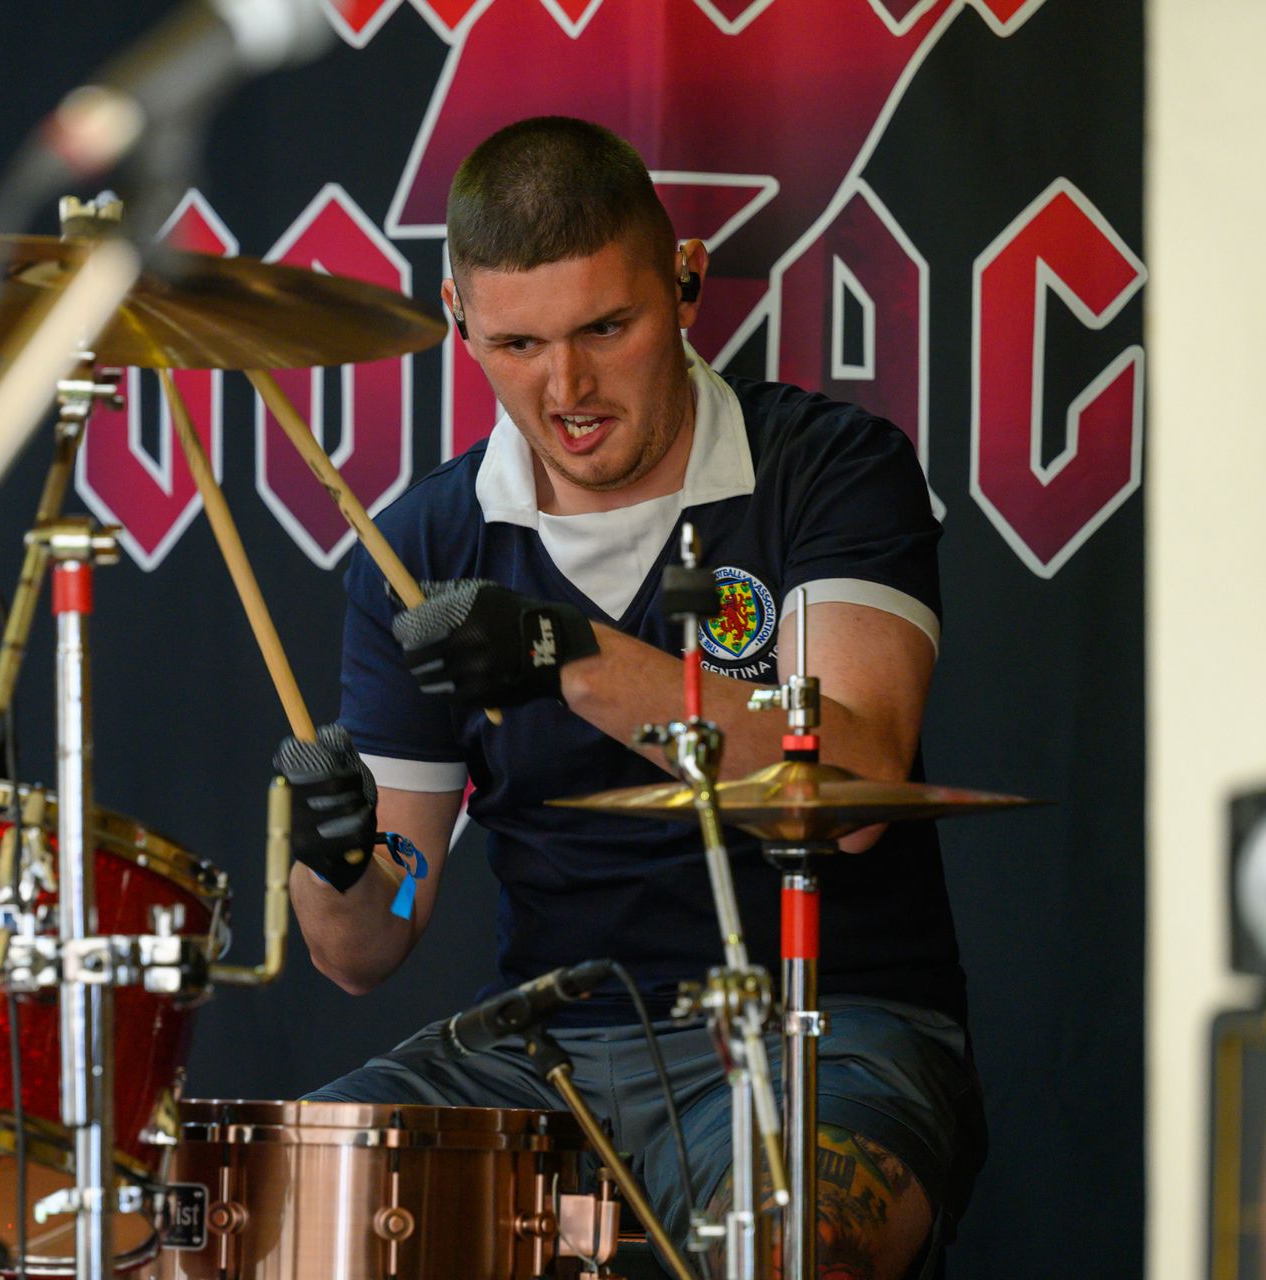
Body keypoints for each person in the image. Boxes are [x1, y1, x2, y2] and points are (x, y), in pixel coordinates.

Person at [276, 116, 985, 1280]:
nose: (566, 388)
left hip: (824, 1026)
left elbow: (853, 787)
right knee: (268, 1212)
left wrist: (565, 652)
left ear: (686, 281)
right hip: (544, 1051)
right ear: (456, 316)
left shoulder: (829, 466)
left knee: (794, 1246)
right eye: (516, 343)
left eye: (606, 328)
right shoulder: (421, 547)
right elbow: (372, 935)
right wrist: (337, 862)